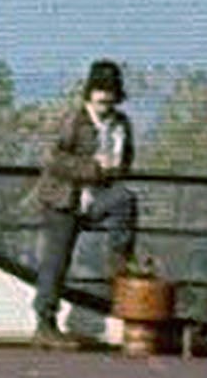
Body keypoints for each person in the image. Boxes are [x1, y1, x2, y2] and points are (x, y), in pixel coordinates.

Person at [29, 58, 139, 349]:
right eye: (99, 91)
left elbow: (127, 158)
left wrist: (115, 168)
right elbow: (53, 159)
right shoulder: (73, 120)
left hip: (98, 195)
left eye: (110, 92)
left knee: (125, 200)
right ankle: (45, 324)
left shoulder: (120, 124)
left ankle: (119, 260)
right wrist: (92, 167)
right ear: (90, 93)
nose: (104, 98)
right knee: (55, 262)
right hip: (64, 200)